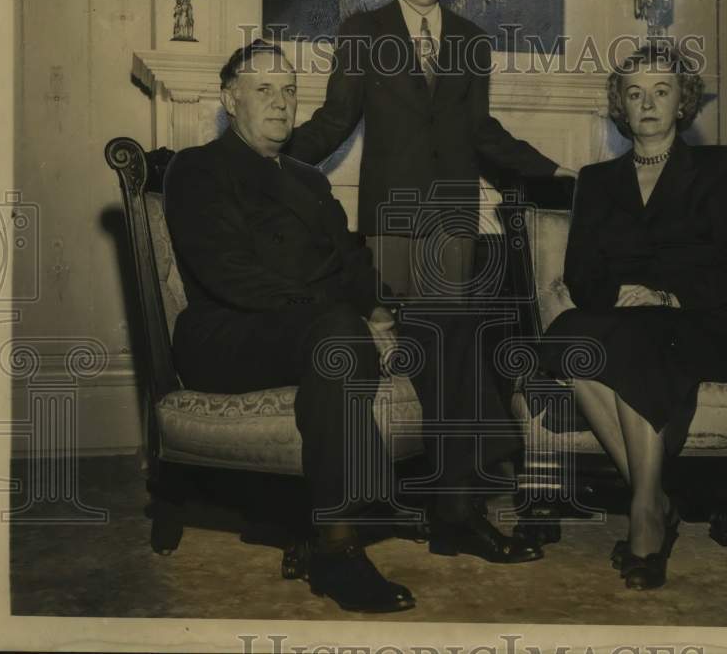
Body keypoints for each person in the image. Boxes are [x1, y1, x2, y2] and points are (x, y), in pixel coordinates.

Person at [164, 40, 541, 615]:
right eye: (263, 89)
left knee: (445, 314)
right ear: (229, 99)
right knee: (337, 336)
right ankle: (336, 546)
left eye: (289, 90)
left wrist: (380, 314)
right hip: (231, 332)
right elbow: (230, 275)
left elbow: (353, 263)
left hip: (322, 324)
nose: (280, 101)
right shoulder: (199, 168)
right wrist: (343, 319)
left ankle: (458, 509)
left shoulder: (308, 179)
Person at [540, 42, 727, 590]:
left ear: (682, 101)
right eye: (635, 94)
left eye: (661, 91)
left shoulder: (715, 165)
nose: (648, 103)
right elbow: (582, 274)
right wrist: (621, 293)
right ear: (621, 106)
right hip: (624, 315)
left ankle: (643, 516)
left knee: (635, 338)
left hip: (699, 318)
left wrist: (667, 296)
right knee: (566, 337)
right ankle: (656, 497)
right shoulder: (595, 180)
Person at [285, 0, 575, 300]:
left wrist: (551, 168)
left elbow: (481, 129)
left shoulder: (472, 40)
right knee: (391, 333)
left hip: (454, 216)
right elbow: (335, 119)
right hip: (391, 212)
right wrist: (277, 157)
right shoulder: (361, 31)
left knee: (447, 335)